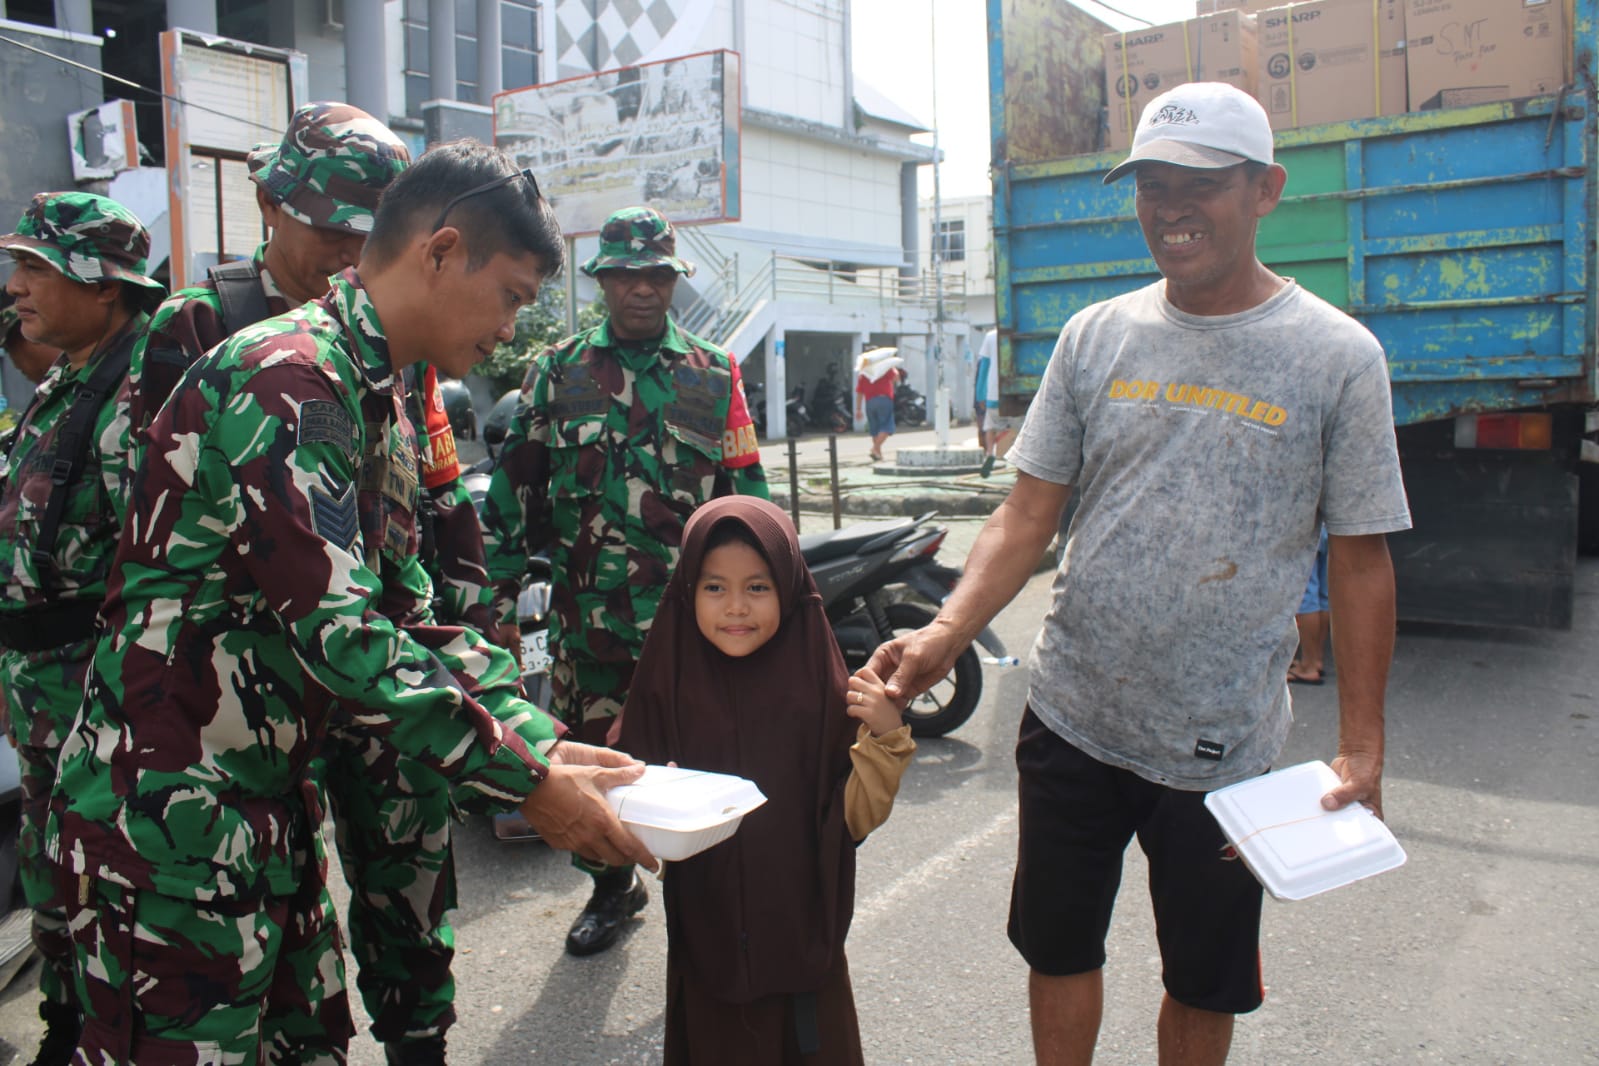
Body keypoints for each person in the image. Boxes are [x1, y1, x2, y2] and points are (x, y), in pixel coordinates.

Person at [45, 142, 657, 1064]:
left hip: (256, 815)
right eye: (512, 297)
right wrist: (529, 786)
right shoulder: (288, 377)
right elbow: (343, 634)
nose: (510, 328)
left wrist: (532, 734)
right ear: (441, 252)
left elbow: (406, 606)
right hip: (166, 827)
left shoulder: (367, 389)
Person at [867, 82, 1412, 1066]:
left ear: (1265, 190)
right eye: (1152, 184)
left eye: (1198, 183)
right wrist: (946, 632)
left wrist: (1362, 744)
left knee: (1202, 979)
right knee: (1058, 944)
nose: (1170, 207)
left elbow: (1363, 559)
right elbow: (1028, 511)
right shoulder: (1095, 336)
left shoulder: (1338, 358)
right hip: (1073, 715)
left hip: (1223, 747)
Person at [124, 102, 493, 1064]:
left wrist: (468, 628)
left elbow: (428, 492)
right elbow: (150, 529)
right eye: (328, 227)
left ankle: (420, 1038)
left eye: (365, 232)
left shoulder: (390, 345)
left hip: (378, 664)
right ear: (266, 204)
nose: (345, 250)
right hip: (246, 691)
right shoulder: (202, 330)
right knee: (241, 939)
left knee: (405, 880)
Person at [481, 204, 767, 957]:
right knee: (597, 766)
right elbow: (516, 491)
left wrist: (772, 603)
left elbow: (748, 498)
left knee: (707, 764)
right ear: (601, 280)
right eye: (624, 275)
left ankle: (711, 904)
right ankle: (612, 891)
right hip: (590, 626)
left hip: (697, 630)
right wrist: (497, 603)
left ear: (673, 280)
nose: (641, 289)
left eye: (656, 275)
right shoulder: (556, 371)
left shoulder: (715, 373)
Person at [616, 495, 915, 1064]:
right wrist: (651, 798)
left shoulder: (822, 689)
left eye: (757, 587)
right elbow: (628, 781)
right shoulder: (667, 678)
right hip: (709, 943)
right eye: (713, 587)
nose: (736, 607)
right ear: (686, 593)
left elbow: (852, 816)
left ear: (790, 587)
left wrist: (886, 736)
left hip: (805, 948)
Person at [0, 191, 166, 1066]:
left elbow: (146, 573)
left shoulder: (137, 391)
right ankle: (66, 1026)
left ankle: (96, 1033)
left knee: (97, 880)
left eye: (36, 268)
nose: (16, 287)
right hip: (42, 685)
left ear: (105, 288)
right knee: (49, 874)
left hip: (93, 692)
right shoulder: (71, 374)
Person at [1289, 525, 1330, 685]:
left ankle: (1308, 666)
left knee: (1306, 595)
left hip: (1310, 528)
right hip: (1331, 527)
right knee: (1324, 596)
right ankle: (1316, 658)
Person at [855, 358, 897, 461]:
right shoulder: (885, 368)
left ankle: (878, 454)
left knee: (875, 428)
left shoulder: (864, 372)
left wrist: (858, 409)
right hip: (884, 400)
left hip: (870, 402)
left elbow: (860, 392)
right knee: (887, 426)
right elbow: (896, 378)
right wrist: (892, 365)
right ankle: (875, 448)